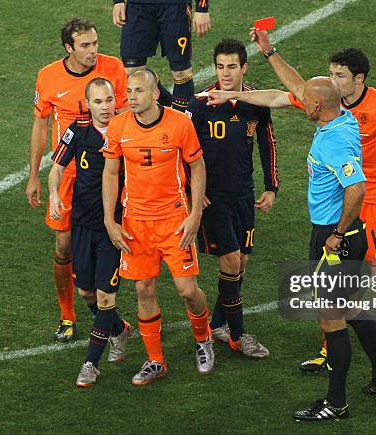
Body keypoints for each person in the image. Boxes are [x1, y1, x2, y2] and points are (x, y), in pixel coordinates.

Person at [213, 30, 376, 379]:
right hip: (340, 205)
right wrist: (248, 77)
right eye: (330, 75)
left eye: (339, 75)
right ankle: (332, 349)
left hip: (374, 200)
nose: (332, 81)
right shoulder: (333, 106)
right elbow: (286, 94)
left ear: (358, 79)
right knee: (330, 285)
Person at [102, 69, 214, 385]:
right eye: (129, 91)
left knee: (188, 290)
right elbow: (111, 174)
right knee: (143, 288)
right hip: (136, 223)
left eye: (138, 91)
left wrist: (194, 216)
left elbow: (197, 165)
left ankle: (203, 338)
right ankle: (155, 360)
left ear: (154, 93)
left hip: (174, 220)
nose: (131, 97)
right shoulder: (118, 126)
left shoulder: (180, 124)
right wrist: (110, 220)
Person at [25, 18, 128, 343]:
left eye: (95, 43)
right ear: (69, 48)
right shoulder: (48, 76)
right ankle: (68, 316)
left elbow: (127, 117)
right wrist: (34, 176)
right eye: (85, 45)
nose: (93, 51)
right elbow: (41, 126)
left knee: (122, 240)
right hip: (68, 174)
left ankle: (119, 306)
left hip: (110, 170)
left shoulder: (114, 68)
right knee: (64, 244)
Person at [185, 38, 278, 358]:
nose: (225, 73)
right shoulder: (201, 104)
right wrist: (193, 192)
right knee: (231, 260)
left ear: (244, 68)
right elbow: (183, 153)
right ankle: (239, 336)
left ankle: (219, 324)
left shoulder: (257, 101)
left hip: (244, 195)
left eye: (232, 67)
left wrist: (271, 187)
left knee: (241, 264)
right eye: (220, 66)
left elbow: (267, 143)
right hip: (213, 199)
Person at [48, 78, 132, 387]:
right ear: (88, 105)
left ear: (115, 99)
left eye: (109, 99)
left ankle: (90, 364)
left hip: (113, 227)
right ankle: (120, 329)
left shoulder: (128, 129)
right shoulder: (77, 131)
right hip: (82, 224)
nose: (105, 106)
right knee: (86, 292)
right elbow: (56, 168)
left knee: (106, 296)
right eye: (98, 101)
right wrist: (55, 194)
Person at [112, 0, 211, 112]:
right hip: (137, 6)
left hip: (175, 7)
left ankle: (182, 122)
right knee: (132, 71)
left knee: (181, 72)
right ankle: (166, 105)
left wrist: (202, 8)